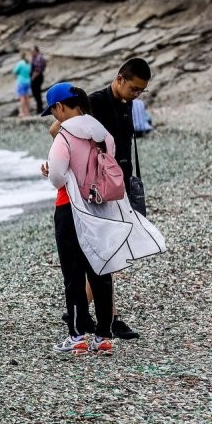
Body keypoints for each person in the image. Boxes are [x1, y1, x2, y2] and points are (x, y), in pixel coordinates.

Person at [39, 83, 115, 355]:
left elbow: (57, 176)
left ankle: (77, 336)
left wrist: (51, 173)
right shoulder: (102, 133)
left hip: (69, 208)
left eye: (53, 111)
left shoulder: (64, 135)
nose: (54, 117)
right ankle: (104, 337)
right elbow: (107, 167)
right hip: (99, 207)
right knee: (100, 270)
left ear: (60, 106)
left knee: (73, 273)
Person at [87, 57, 152, 339]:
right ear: (120, 78)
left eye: (141, 91)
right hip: (100, 189)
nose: (136, 95)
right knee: (110, 252)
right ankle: (108, 317)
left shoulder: (126, 106)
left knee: (112, 251)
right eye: (134, 88)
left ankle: (80, 305)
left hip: (120, 188)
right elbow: (61, 131)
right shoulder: (95, 102)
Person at [13, 52, 32, 117]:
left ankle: (23, 113)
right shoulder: (27, 63)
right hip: (28, 81)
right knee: (27, 97)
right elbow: (30, 72)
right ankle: (28, 112)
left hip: (21, 81)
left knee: (22, 97)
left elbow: (15, 71)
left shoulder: (20, 63)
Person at [30, 46, 47, 113]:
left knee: (37, 92)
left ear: (36, 51)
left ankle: (39, 109)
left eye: (32, 51)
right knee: (36, 92)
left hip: (37, 77)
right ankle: (39, 108)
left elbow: (38, 69)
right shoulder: (35, 58)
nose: (31, 52)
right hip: (37, 77)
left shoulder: (39, 58)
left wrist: (33, 77)